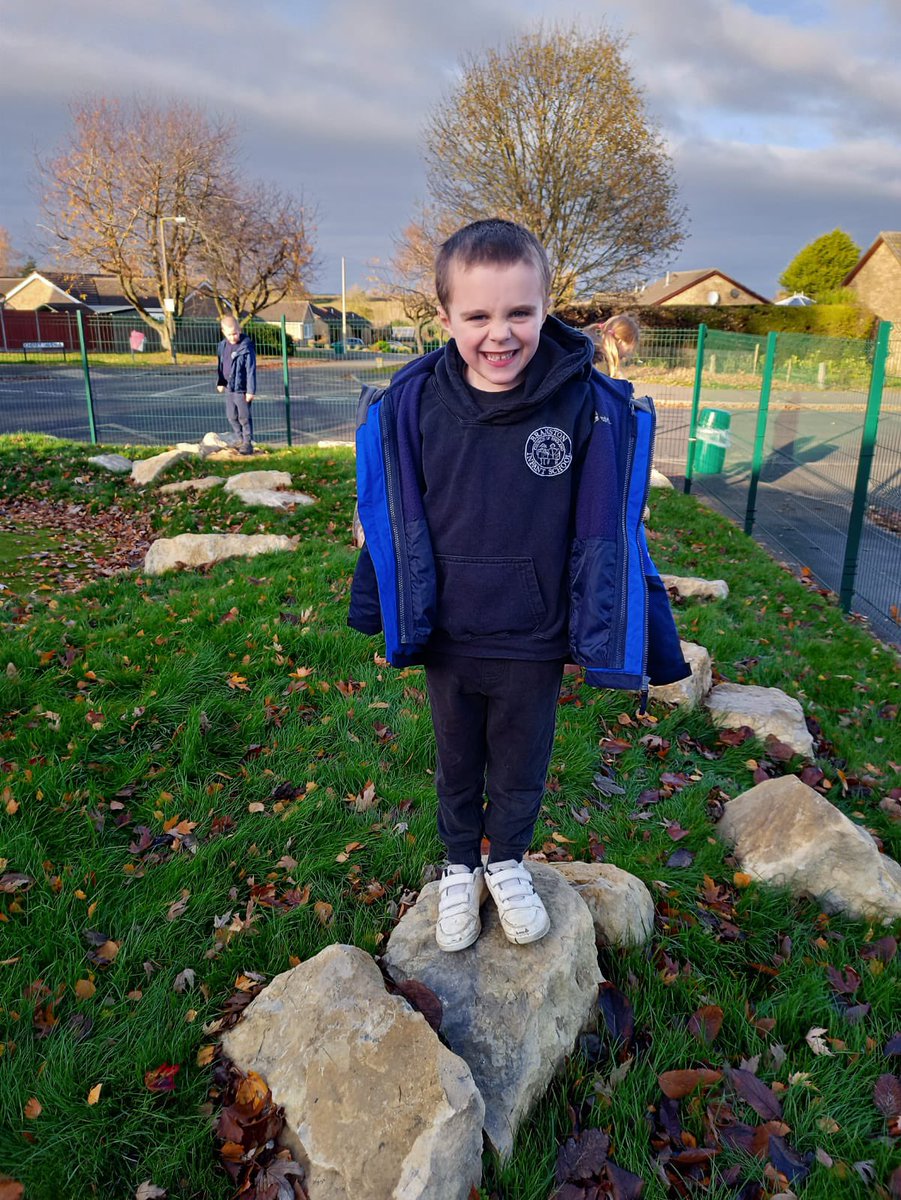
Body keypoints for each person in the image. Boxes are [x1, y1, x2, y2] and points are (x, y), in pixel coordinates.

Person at [348, 219, 688, 953]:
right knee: (456, 762)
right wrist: (366, 527)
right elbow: (390, 498)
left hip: (533, 637)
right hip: (449, 631)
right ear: (444, 319)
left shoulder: (584, 404)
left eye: (518, 313)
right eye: (476, 316)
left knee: (519, 763)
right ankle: (455, 867)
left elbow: (601, 517)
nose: (498, 334)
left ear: (545, 309)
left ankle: (504, 862)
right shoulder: (413, 403)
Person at [216, 316, 256, 455]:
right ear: (223, 332)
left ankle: (247, 442)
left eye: (235, 333)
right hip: (228, 388)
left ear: (239, 330)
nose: (233, 337)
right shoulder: (222, 346)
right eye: (229, 334)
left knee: (243, 417)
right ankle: (239, 439)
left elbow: (251, 370)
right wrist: (220, 382)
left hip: (241, 389)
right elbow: (221, 365)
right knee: (231, 416)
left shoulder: (246, 347)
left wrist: (250, 390)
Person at [591, 313, 640, 378]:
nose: (629, 353)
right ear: (620, 342)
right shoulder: (600, 363)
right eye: (628, 350)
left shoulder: (594, 356)